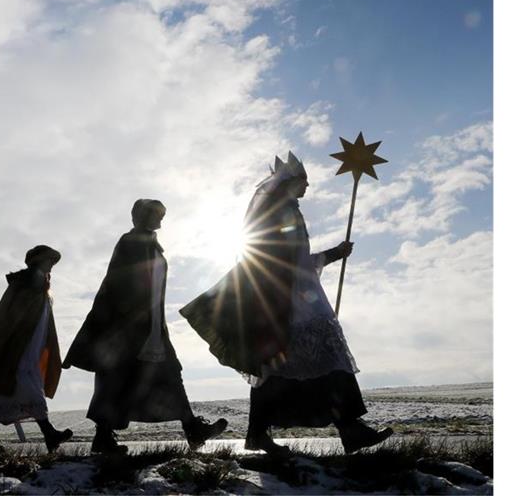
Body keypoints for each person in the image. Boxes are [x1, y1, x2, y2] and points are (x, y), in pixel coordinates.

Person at [180, 153, 393, 455]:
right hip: (289, 301)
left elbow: (296, 260)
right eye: (303, 182)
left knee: (293, 365)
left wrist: (333, 254)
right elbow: (287, 261)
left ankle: (344, 428)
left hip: (295, 298)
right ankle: (340, 428)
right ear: (291, 183)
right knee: (295, 363)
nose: (307, 188)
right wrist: (333, 254)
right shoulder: (281, 212)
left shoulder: (286, 210)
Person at [63, 199, 228, 454]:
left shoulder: (153, 246)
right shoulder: (130, 243)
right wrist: (127, 322)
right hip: (127, 327)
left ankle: (193, 428)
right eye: (156, 214)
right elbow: (117, 284)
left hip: (152, 326)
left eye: (162, 215)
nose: (161, 220)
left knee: (170, 374)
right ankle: (103, 436)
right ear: (141, 216)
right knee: (118, 379)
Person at [0, 245, 72, 453]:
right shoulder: (26, 285)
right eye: (49, 262)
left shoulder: (41, 287)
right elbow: (9, 319)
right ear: (38, 262)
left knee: (4, 391)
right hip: (18, 349)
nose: (52, 266)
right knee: (28, 383)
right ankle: (49, 433)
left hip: (31, 349)